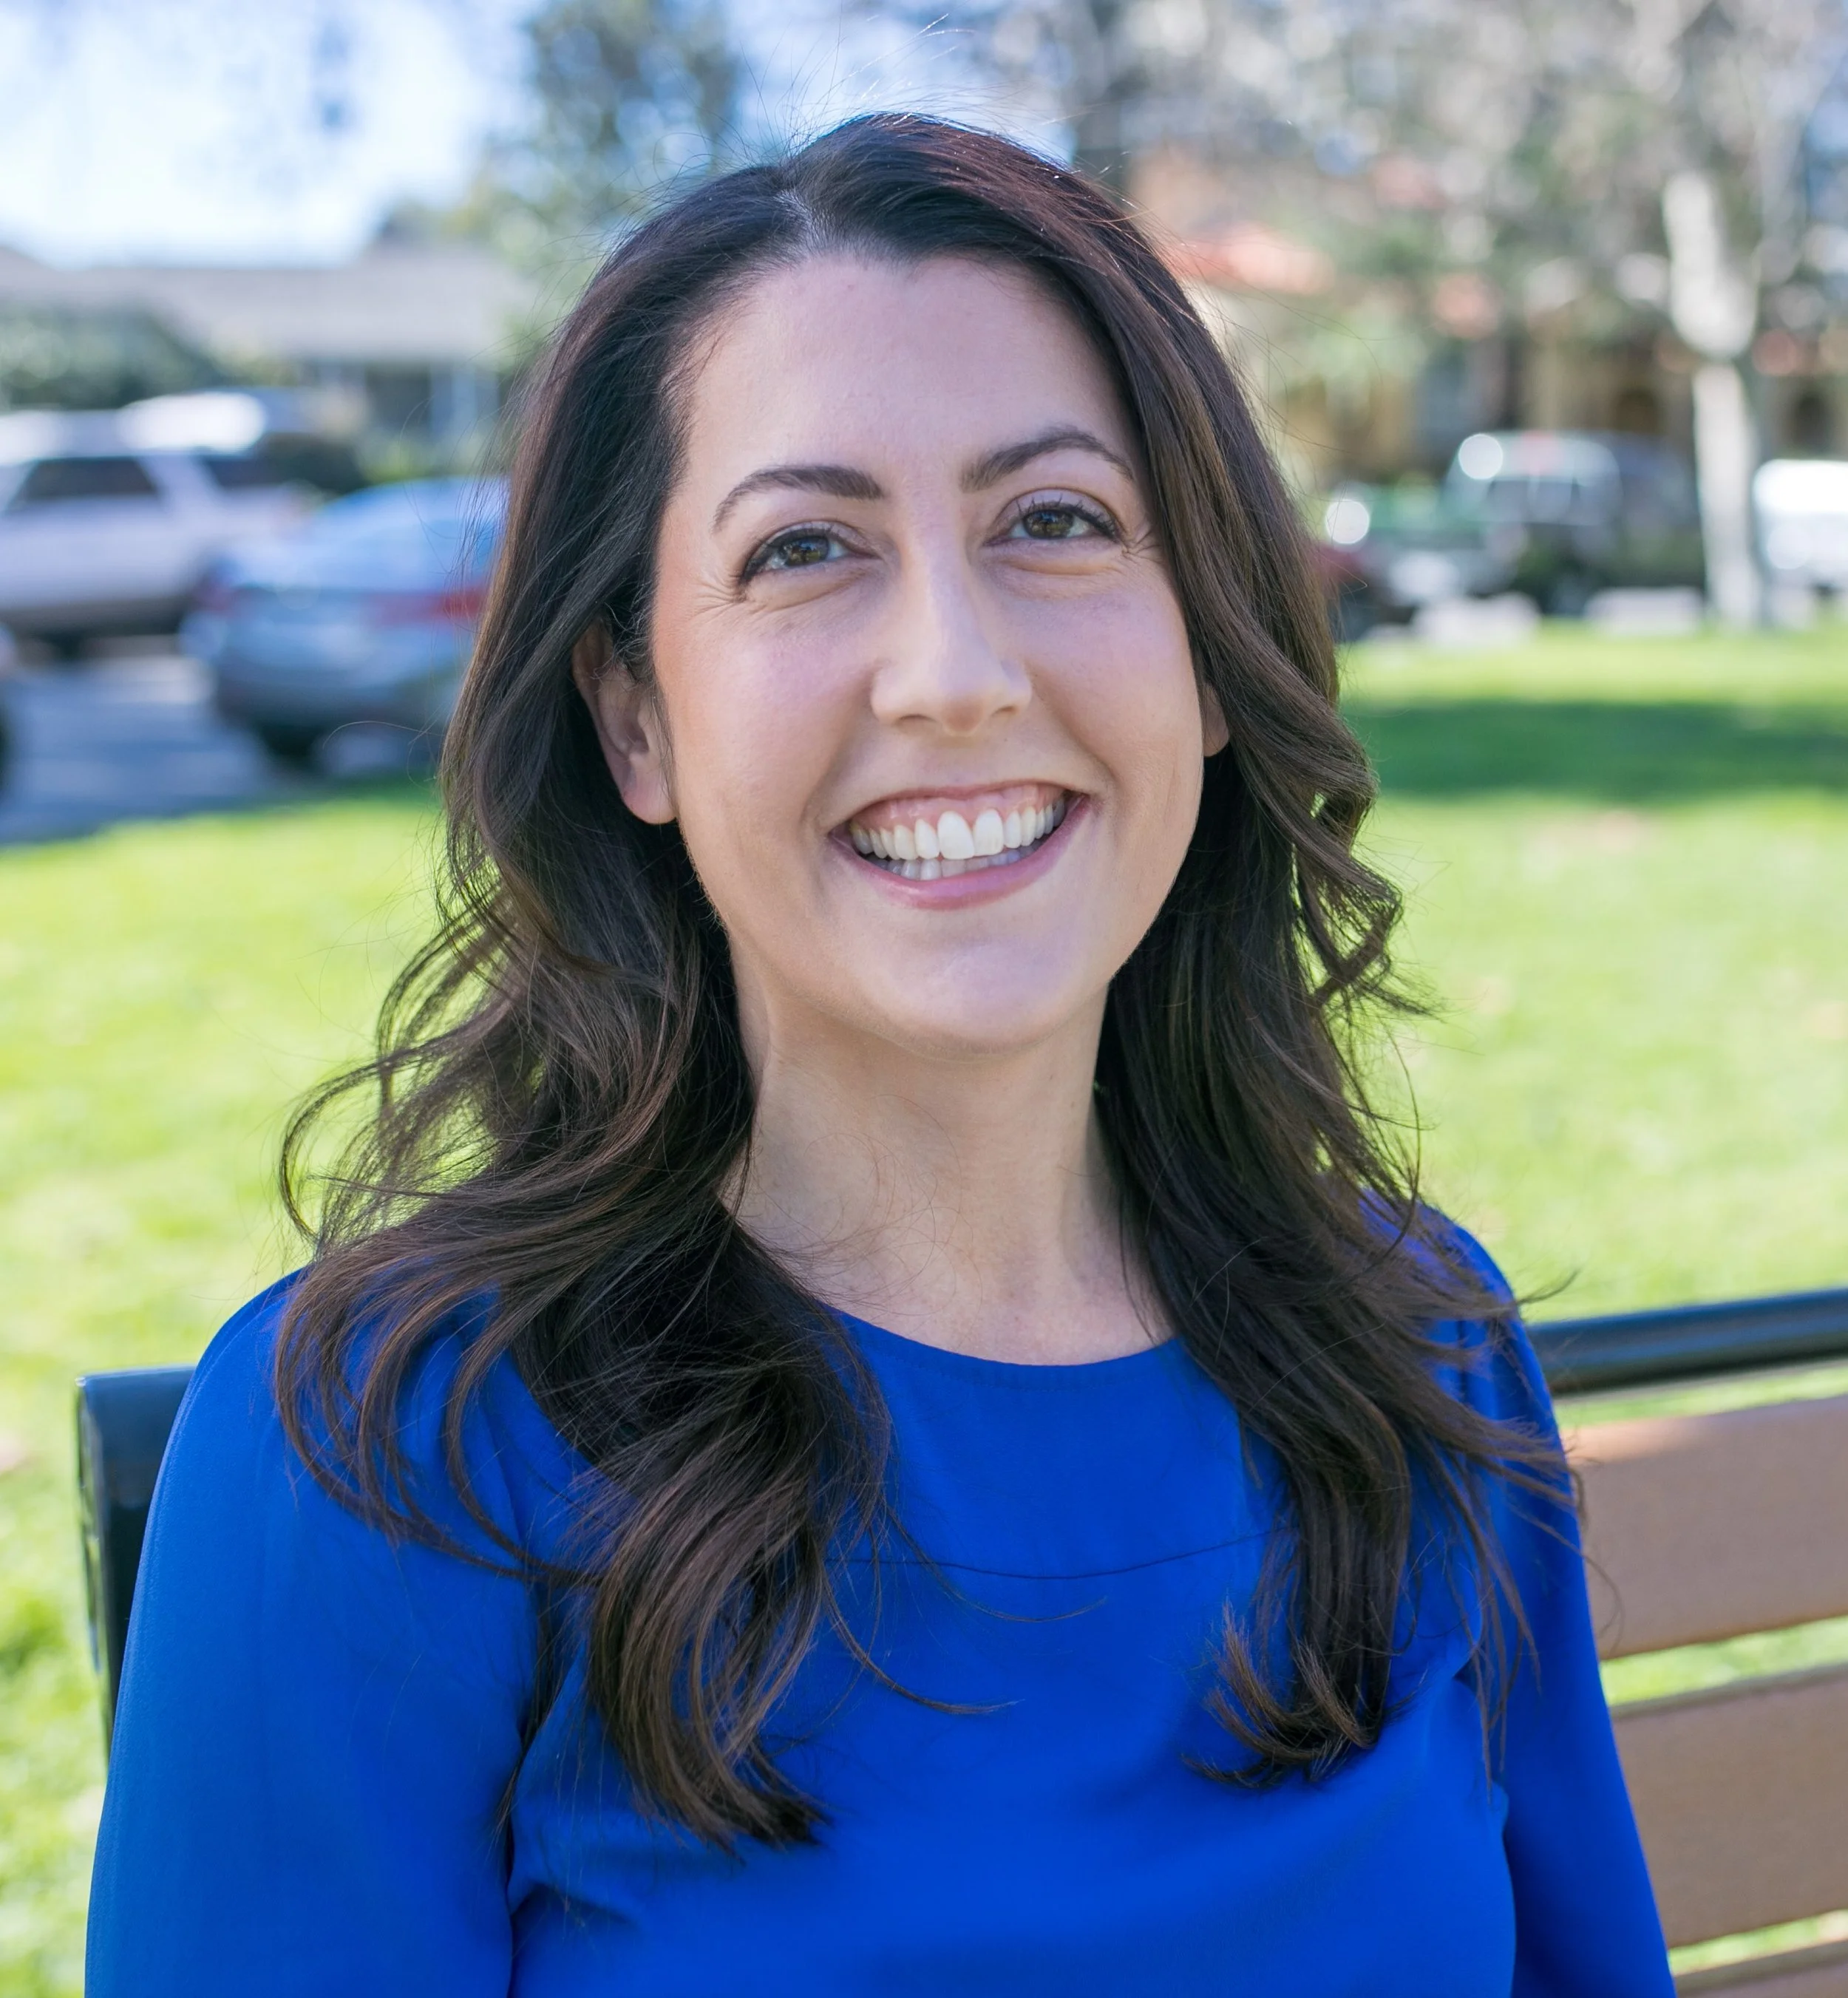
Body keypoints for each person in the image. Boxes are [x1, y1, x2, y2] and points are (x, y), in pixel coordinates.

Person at [86, 116, 1673, 1995]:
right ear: (635, 722)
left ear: (1203, 645)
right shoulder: (387, 1451)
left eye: (1055, 521)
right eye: (806, 549)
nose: (952, 670)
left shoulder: (1416, 1342)